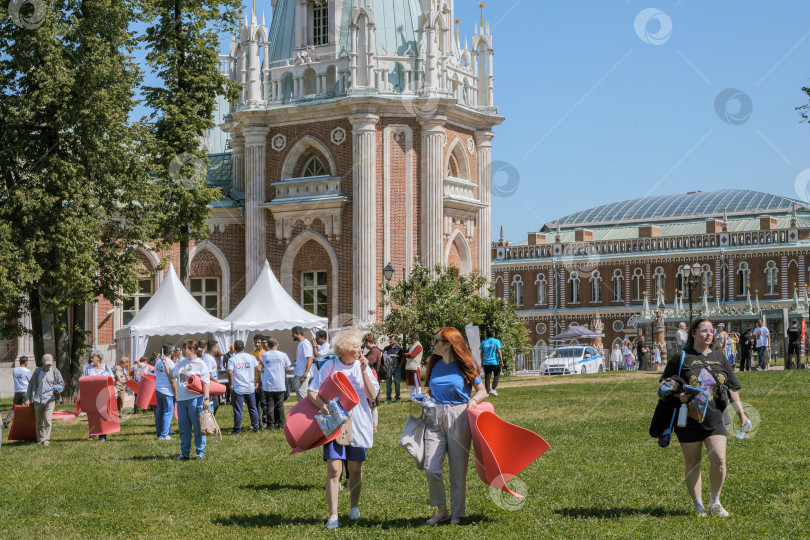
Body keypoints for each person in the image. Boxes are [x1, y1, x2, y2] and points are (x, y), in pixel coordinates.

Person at [660, 317, 749, 517]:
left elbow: (732, 387)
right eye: (704, 330)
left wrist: (741, 414)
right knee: (693, 462)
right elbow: (664, 385)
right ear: (693, 333)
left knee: (719, 459)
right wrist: (677, 394)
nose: (709, 334)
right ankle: (698, 505)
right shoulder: (681, 357)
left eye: (711, 331)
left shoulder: (720, 356)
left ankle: (715, 502)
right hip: (688, 418)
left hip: (715, 416)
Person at [308, 329, 379, 530]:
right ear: (346, 349)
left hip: (358, 424)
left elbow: (372, 396)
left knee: (355, 469)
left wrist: (365, 371)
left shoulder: (363, 367)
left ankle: (354, 507)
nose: (361, 350)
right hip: (335, 425)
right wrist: (322, 405)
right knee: (335, 469)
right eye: (357, 347)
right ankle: (333, 515)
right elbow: (312, 391)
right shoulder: (330, 365)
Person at [423, 327, 488, 526]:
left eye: (437, 341)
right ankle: (442, 510)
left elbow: (482, 390)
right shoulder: (433, 364)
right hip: (434, 417)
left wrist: (474, 401)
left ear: (448, 345)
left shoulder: (467, 364)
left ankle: (457, 514)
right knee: (431, 468)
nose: (433, 345)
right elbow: (430, 389)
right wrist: (425, 397)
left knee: (457, 470)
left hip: (459, 416)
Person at [169, 340, 210, 460]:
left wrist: (206, 399)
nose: (183, 351)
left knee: (198, 426)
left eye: (185, 349)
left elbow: (206, 382)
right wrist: (166, 363)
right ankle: (185, 452)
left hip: (195, 398)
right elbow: (172, 375)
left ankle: (200, 452)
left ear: (192, 350)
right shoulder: (182, 362)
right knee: (183, 427)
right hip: (182, 399)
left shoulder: (201, 364)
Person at [27, 354, 64, 447]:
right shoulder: (37, 371)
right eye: (46, 363)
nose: (48, 365)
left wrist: (58, 389)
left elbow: (61, 384)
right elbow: (31, 385)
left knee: (48, 419)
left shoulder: (55, 371)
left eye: (50, 364)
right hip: (38, 399)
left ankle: (46, 439)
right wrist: (28, 398)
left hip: (50, 399)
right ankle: (39, 438)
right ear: (42, 362)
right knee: (39, 421)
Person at [228, 340, 261, 434]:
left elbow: (230, 372)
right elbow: (258, 370)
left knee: (238, 410)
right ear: (244, 347)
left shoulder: (232, 359)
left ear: (235, 349)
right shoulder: (251, 357)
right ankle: (256, 427)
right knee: (253, 408)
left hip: (238, 387)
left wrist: (231, 385)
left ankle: (237, 430)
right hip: (250, 386)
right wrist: (258, 381)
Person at [260, 338, 291, 429]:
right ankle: (281, 424)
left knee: (270, 404)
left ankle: (271, 424)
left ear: (268, 345)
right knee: (280, 404)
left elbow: (263, 364)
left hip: (268, 384)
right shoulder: (283, 355)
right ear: (277, 344)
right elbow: (288, 368)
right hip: (280, 383)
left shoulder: (264, 355)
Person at [84, 350, 114, 441]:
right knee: (93, 414)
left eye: (93, 357)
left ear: (98, 358)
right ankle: (92, 434)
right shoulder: (89, 369)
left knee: (103, 415)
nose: (91, 359)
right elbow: (83, 379)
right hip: (92, 395)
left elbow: (111, 379)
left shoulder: (106, 368)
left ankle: (102, 436)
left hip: (104, 395)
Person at [3, 356, 32, 429]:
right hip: (25, 392)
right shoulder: (27, 371)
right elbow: (31, 381)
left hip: (17, 392)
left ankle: (6, 423)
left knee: (14, 408)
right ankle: (23, 424)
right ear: (26, 362)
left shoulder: (14, 370)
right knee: (24, 408)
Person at [154, 344, 176, 440]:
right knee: (168, 412)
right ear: (171, 352)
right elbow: (172, 379)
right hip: (167, 391)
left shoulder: (158, 361)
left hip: (159, 389)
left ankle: (160, 434)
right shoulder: (170, 362)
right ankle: (164, 434)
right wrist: (176, 393)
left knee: (159, 412)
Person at [363, 334, 382, 432]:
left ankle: (374, 427)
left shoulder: (375, 351)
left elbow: (369, 361)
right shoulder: (373, 351)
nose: (365, 345)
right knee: (370, 403)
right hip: (371, 377)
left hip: (372, 378)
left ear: (371, 342)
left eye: (366, 343)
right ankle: (371, 425)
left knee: (372, 403)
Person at [292, 326, 315, 402]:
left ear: (298, 333)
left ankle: (306, 413)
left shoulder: (305, 343)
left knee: (303, 398)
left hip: (302, 375)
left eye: (293, 333)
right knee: (300, 397)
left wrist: (305, 374)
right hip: (299, 374)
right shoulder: (301, 343)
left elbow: (310, 359)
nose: (292, 335)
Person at [479, 328, 504, 395]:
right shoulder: (496, 341)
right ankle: (493, 389)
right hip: (494, 362)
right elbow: (499, 351)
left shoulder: (483, 342)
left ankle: (487, 392)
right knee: (497, 374)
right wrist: (501, 361)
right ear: (493, 334)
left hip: (486, 362)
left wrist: (481, 362)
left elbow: (481, 353)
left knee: (487, 377)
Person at [383, 335, 404, 403]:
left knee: (397, 383)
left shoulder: (399, 349)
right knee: (388, 383)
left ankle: (397, 397)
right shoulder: (386, 349)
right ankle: (388, 398)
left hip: (397, 368)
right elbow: (384, 358)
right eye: (390, 340)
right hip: (388, 368)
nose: (390, 341)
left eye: (392, 340)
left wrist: (397, 365)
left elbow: (402, 358)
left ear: (396, 341)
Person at [403, 333, 423, 399]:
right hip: (409, 366)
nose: (410, 340)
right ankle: (412, 396)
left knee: (417, 382)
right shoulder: (411, 346)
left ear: (415, 339)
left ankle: (419, 395)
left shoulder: (418, 346)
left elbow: (412, 355)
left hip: (415, 366)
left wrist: (408, 354)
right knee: (410, 383)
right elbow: (404, 354)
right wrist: (408, 354)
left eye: (411, 338)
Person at [202, 341, 220, 414]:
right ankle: (209, 419)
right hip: (210, 384)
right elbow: (207, 373)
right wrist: (215, 381)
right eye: (217, 347)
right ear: (213, 348)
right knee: (214, 404)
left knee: (215, 404)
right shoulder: (208, 358)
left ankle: (211, 419)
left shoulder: (209, 357)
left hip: (212, 383)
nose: (218, 349)